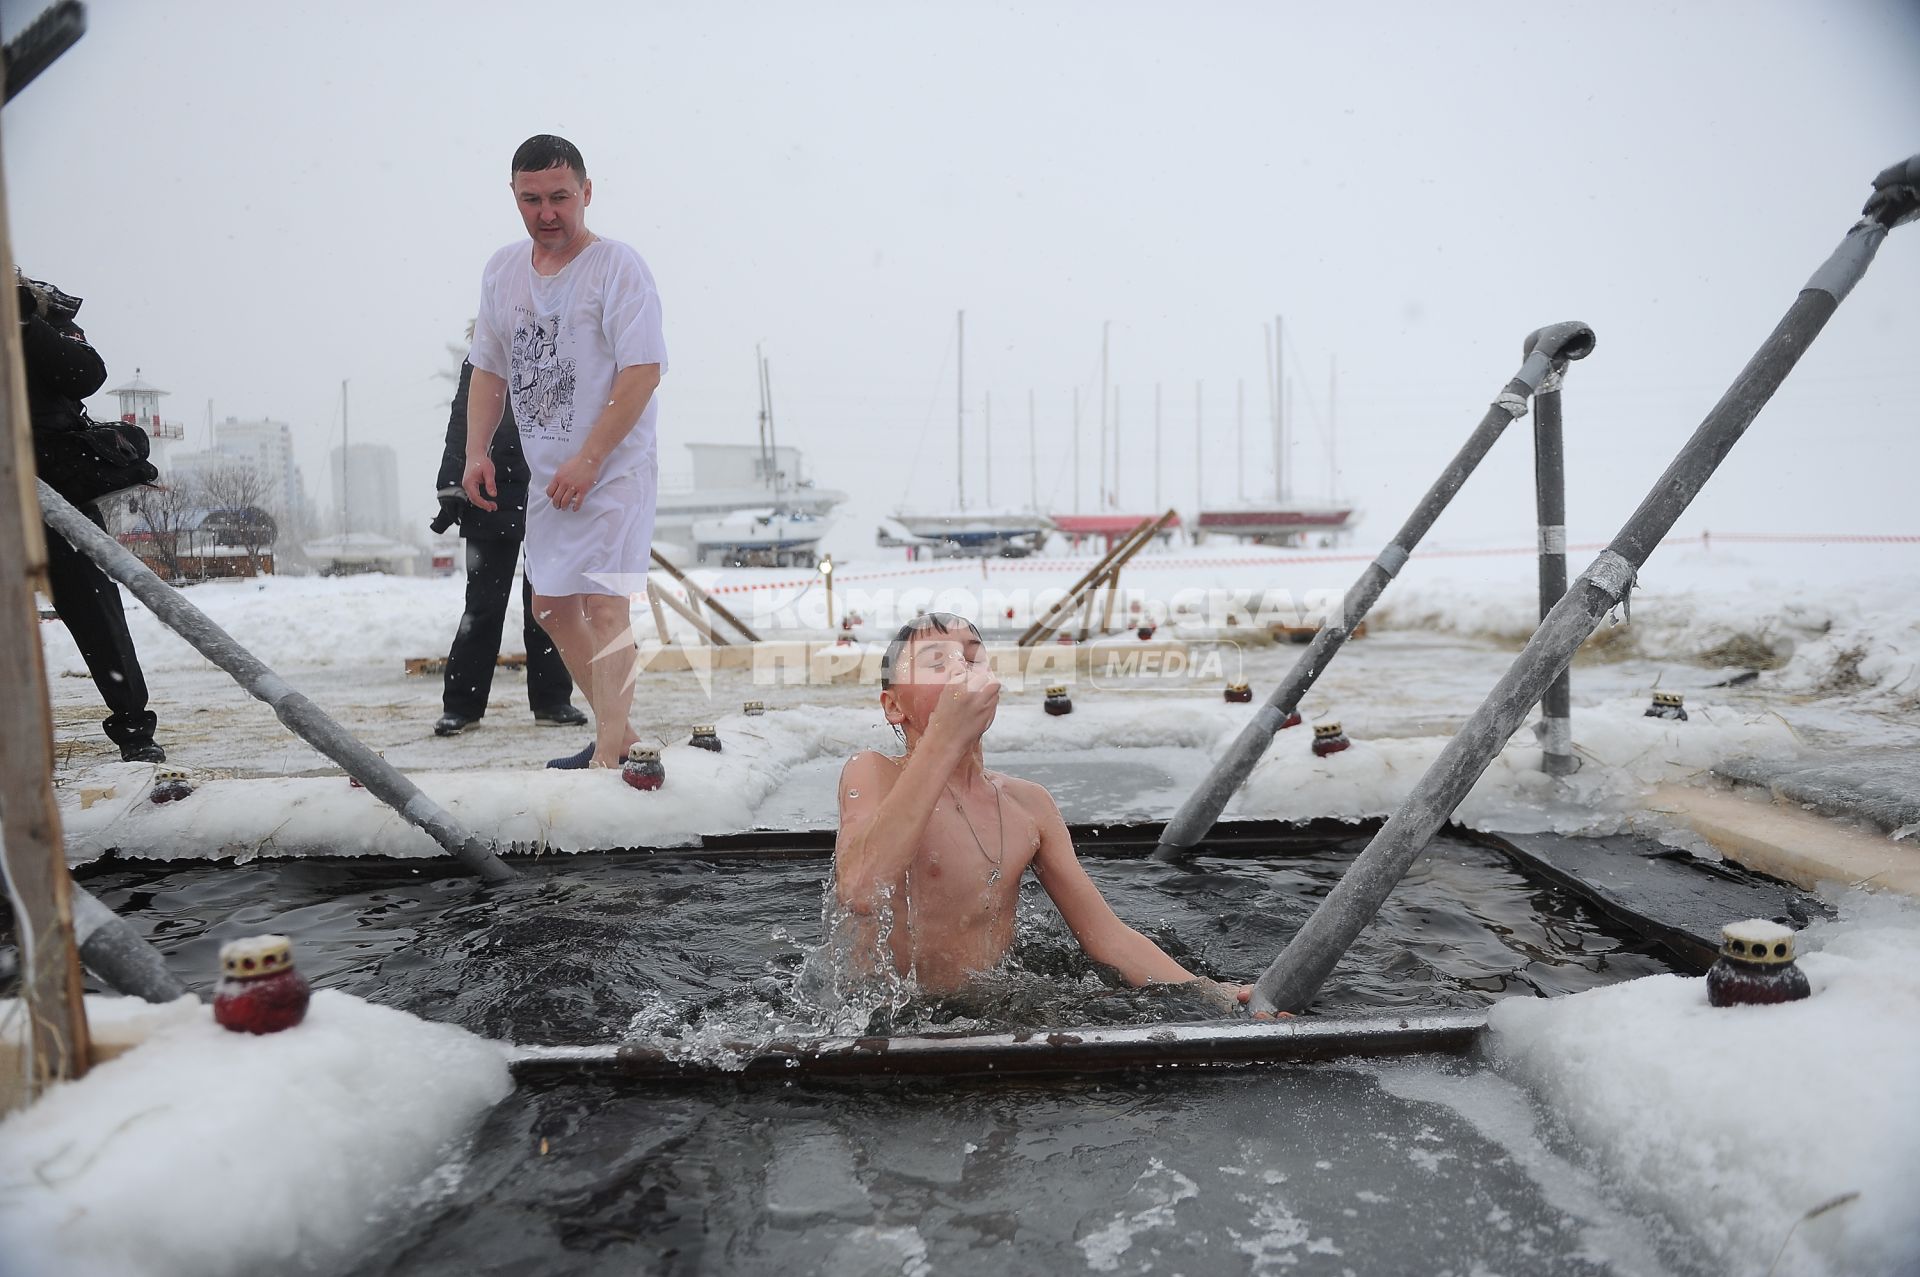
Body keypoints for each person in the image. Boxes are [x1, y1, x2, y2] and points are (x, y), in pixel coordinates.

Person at [833, 612, 1253, 1008]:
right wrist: (944, 737)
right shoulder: (873, 774)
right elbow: (861, 891)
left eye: (973, 655)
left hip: (990, 1011)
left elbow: (1105, 937)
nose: (962, 668)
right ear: (893, 707)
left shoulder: (1028, 804)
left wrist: (1209, 993)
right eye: (936, 661)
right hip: (894, 1021)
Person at [463, 135, 667, 769]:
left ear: (585, 192)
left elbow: (642, 372)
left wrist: (591, 459)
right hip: (549, 474)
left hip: (613, 467)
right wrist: (476, 454)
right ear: (515, 197)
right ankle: (620, 732)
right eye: (532, 199)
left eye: (559, 197)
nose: (546, 212)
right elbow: (489, 371)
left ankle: (609, 751)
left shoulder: (617, 267)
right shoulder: (502, 271)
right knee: (550, 607)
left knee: (606, 602)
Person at [20, 270, 165, 763]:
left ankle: (134, 730)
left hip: (55, 496)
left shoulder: (42, 314)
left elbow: (86, 375)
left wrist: (25, 323)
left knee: (95, 610)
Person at [430, 356, 586, 736]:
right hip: (488, 491)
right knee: (482, 606)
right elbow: (462, 419)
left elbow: (578, 415)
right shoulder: (484, 357)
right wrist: (451, 481)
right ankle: (462, 706)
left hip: (547, 491)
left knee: (548, 604)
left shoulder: (559, 348)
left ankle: (552, 700)